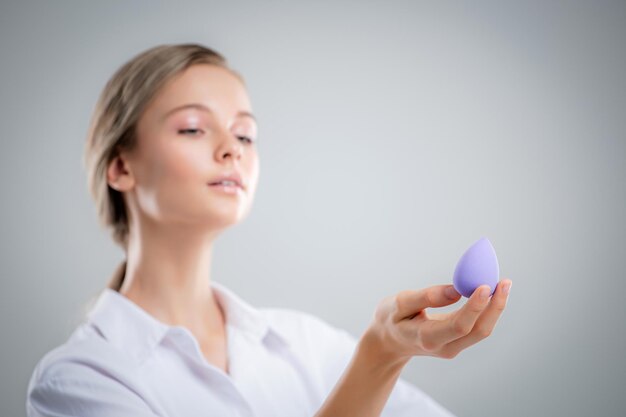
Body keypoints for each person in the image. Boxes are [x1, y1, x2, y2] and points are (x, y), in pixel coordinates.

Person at [26, 43, 512, 417]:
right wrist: (379, 356)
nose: (231, 149)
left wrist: (382, 354)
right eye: (194, 128)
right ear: (120, 167)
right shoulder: (80, 379)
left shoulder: (308, 344)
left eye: (244, 135)